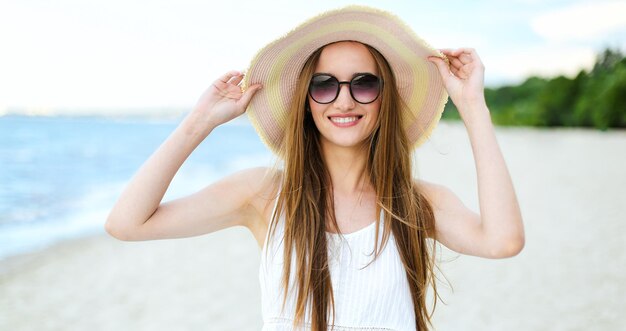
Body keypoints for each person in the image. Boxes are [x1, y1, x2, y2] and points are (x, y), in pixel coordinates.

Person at [105, 5, 524, 331]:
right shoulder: (266, 194)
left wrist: (472, 106)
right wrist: (199, 123)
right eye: (324, 85)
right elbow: (127, 223)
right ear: (306, 100)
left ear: (385, 98)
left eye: (364, 83)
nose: (344, 101)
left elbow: (503, 241)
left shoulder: (415, 202)